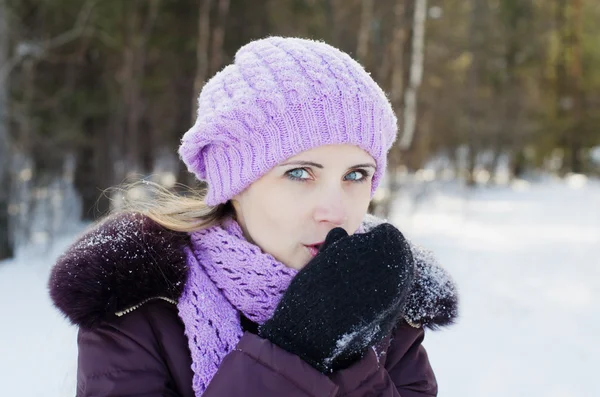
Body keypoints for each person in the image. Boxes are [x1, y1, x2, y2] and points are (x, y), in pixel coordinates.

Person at [48, 36, 458, 397]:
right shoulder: (138, 310)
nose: (335, 212)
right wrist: (299, 350)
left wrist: (351, 356)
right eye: (299, 173)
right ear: (235, 184)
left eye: (356, 174)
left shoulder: (382, 298)